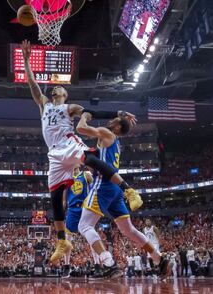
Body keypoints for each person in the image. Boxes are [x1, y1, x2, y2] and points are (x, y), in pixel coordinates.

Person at [20, 39, 142, 264]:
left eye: (60, 87)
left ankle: (128, 190)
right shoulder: (44, 103)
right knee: (55, 196)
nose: (56, 87)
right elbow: (32, 85)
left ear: (64, 93)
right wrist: (27, 62)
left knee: (92, 160)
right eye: (55, 86)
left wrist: (118, 111)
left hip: (68, 143)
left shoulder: (71, 108)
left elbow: (93, 112)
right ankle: (62, 241)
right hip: (54, 153)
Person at [76, 112, 172, 280]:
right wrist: (120, 114)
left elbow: (81, 128)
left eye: (114, 120)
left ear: (118, 126)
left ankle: (108, 263)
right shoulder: (115, 141)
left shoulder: (107, 133)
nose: (110, 119)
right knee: (128, 230)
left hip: (103, 186)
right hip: (115, 190)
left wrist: (84, 116)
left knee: (84, 226)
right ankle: (159, 258)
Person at [61, 165, 101, 279]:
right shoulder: (66, 179)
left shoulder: (86, 174)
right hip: (72, 210)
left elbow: (96, 188)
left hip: (85, 208)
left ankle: (97, 265)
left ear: (78, 163)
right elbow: (64, 199)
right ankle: (67, 266)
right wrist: (61, 211)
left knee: (91, 237)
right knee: (67, 239)